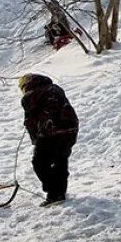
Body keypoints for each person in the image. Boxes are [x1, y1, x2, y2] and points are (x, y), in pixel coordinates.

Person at [19, 73, 79, 206]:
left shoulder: (29, 96)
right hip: (70, 129)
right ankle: (60, 193)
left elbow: (31, 122)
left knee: (39, 163)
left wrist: (36, 140)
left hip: (50, 131)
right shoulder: (55, 88)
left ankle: (53, 194)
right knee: (60, 160)